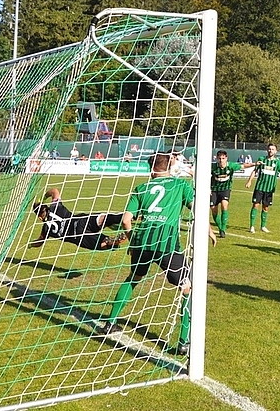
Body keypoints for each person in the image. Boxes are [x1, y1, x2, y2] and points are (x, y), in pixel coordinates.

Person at [96, 152, 216, 355]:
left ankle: (110, 322)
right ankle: (184, 341)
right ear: (170, 166)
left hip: (143, 239)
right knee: (186, 287)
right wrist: (209, 230)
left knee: (134, 278)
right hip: (166, 241)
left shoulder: (141, 188)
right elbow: (197, 208)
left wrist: (133, 241)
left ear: (151, 169)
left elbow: (126, 219)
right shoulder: (180, 185)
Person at [30, 188, 126, 251]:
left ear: (39, 217)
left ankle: (110, 241)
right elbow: (54, 191)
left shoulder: (46, 229)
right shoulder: (55, 207)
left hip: (78, 237)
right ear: (46, 207)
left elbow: (39, 242)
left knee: (100, 243)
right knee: (102, 218)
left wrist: (30, 244)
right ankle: (128, 216)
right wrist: (44, 197)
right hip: (80, 221)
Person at [245, 143, 280, 233]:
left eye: (273, 149)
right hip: (260, 187)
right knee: (255, 205)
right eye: (269, 149)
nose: (271, 151)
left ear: (276, 151)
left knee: (265, 208)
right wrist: (249, 181)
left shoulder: (277, 162)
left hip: (269, 189)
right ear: (267, 150)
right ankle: (252, 226)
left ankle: (263, 226)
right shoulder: (262, 159)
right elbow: (255, 171)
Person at [211, 150, 255, 238]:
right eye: (219, 158)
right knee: (213, 210)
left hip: (225, 190)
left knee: (224, 206)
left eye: (223, 158)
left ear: (226, 158)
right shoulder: (213, 166)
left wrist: (254, 164)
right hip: (214, 190)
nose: (221, 160)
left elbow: (243, 166)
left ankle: (223, 229)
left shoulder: (231, 166)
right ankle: (220, 228)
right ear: (217, 159)